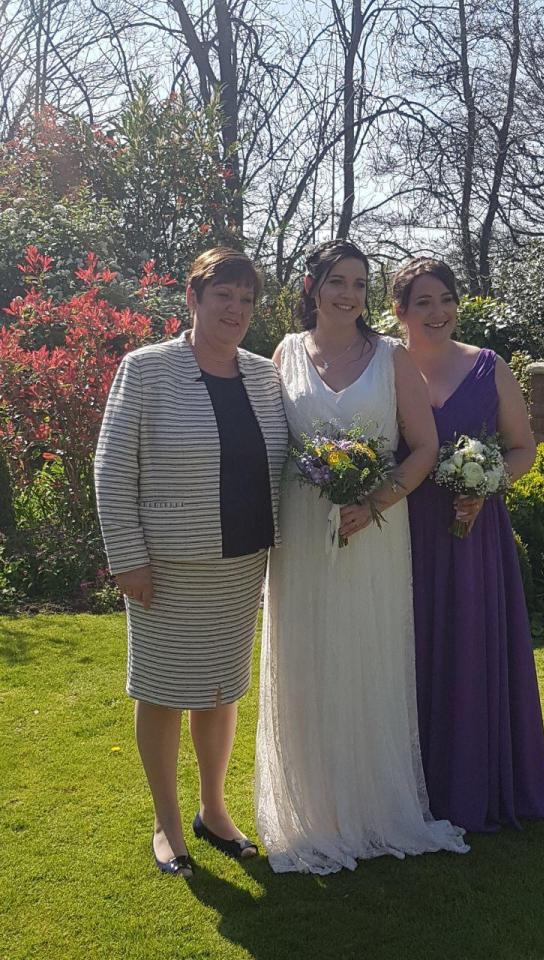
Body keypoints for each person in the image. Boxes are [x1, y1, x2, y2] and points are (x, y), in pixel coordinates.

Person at [255, 239, 469, 873]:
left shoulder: (392, 359)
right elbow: (271, 444)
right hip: (301, 534)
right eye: (337, 281)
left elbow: (424, 448)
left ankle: (373, 805)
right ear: (312, 285)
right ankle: (312, 811)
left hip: (375, 530)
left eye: (359, 284)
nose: (348, 294)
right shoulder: (285, 355)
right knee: (307, 660)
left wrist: (374, 501)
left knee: (364, 655)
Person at [94, 247, 288, 877]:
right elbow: (112, 467)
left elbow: (286, 462)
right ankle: (167, 824)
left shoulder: (263, 375)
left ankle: (213, 809)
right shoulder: (145, 370)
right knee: (161, 691)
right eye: (223, 296)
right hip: (167, 567)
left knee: (221, 690)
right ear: (194, 299)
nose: (236, 309)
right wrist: (128, 557)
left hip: (240, 564)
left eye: (246, 299)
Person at [393, 257, 544, 832]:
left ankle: (468, 783)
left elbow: (522, 448)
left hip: (470, 533)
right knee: (403, 649)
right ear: (400, 311)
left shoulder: (489, 367)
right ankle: (400, 786)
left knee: (467, 645)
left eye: (446, 299)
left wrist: (487, 483)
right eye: (423, 302)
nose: (438, 312)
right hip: (401, 531)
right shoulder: (383, 368)